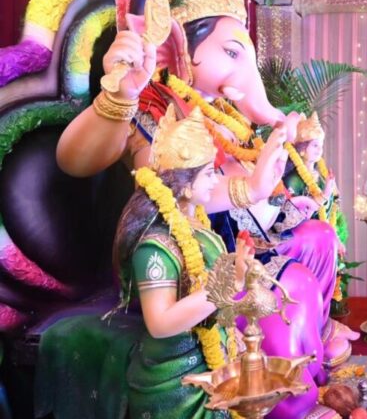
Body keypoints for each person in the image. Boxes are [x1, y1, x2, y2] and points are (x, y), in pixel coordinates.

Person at [56, 0, 357, 366]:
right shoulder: (154, 109)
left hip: (239, 233)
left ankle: (314, 339)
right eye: (231, 53)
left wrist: (289, 166)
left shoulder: (223, 113)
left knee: (318, 238)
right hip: (187, 254)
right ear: (174, 47)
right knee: (298, 283)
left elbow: (250, 179)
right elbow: (99, 169)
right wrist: (119, 96)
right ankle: (286, 381)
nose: (243, 69)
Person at [113, 106, 334, 418]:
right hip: (177, 377)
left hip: (215, 350)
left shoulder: (198, 227)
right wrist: (231, 284)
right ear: (185, 186)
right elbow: (160, 324)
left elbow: (216, 299)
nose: (215, 180)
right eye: (208, 174)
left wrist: (238, 332)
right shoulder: (155, 247)